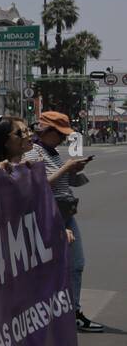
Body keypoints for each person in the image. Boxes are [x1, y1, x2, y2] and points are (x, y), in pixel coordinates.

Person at [24, 111, 101, 333]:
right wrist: (66, 168)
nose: (64, 139)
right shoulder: (32, 153)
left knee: (76, 264)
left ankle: (72, 311)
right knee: (51, 268)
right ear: (47, 131)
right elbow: (37, 186)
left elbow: (66, 183)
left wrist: (75, 170)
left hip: (65, 213)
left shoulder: (53, 152)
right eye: (60, 134)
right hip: (48, 214)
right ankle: (53, 314)